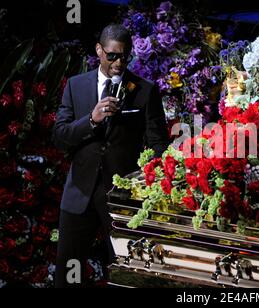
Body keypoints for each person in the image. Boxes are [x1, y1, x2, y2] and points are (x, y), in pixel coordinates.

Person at [53, 24, 169, 287]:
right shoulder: (76, 85)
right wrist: (91, 120)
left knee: (128, 272)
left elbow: (158, 145)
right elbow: (60, 136)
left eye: (124, 57)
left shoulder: (144, 90)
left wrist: (146, 187)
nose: (118, 63)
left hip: (123, 199)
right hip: (79, 193)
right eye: (112, 56)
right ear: (98, 51)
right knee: (69, 271)